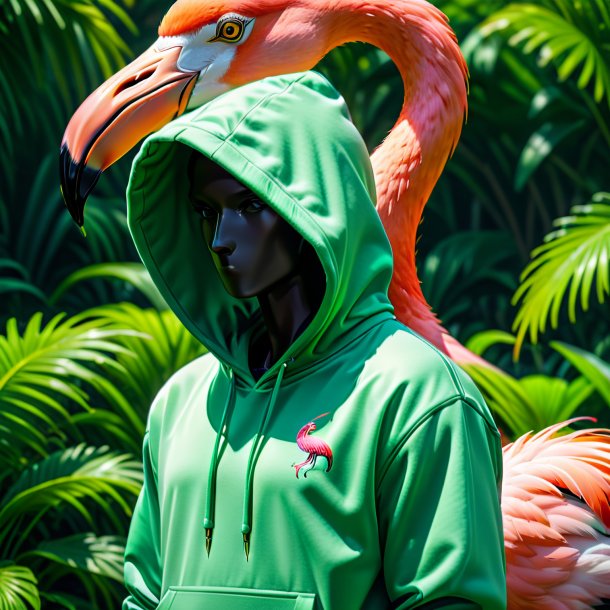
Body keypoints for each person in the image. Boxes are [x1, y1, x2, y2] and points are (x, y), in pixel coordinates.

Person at [123, 70, 507, 609]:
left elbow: (451, 601)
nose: (219, 239)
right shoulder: (182, 404)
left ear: (317, 206)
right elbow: (143, 594)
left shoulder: (418, 396)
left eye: (248, 206)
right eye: (208, 212)